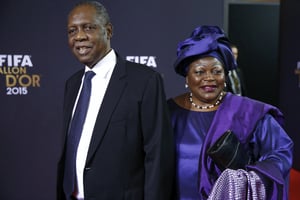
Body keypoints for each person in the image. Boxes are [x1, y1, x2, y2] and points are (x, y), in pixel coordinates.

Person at [56, 1, 174, 200]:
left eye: (89, 27)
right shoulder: (73, 84)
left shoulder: (144, 80)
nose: (79, 36)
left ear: (108, 31)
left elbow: (158, 156)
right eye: (72, 31)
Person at [167, 25, 293, 199]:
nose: (209, 77)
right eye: (199, 72)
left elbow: (281, 151)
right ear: (187, 78)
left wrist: (248, 179)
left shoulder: (248, 111)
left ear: (225, 76)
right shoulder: (168, 112)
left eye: (216, 71)